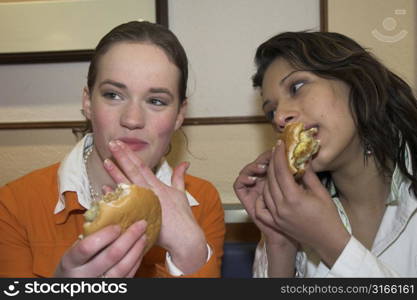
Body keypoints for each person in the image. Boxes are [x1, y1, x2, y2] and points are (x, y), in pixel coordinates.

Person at [0, 21, 225, 278]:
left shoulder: (201, 202)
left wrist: (190, 252)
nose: (132, 119)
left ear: (179, 115)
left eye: (155, 101)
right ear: (87, 102)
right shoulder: (14, 205)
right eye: (113, 95)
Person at [234, 31, 417, 277]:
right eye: (271, 111)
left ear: (355, 80)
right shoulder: (294, 212)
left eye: (296, 87)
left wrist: (331, 243)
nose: (279, 118)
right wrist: (279, 243)